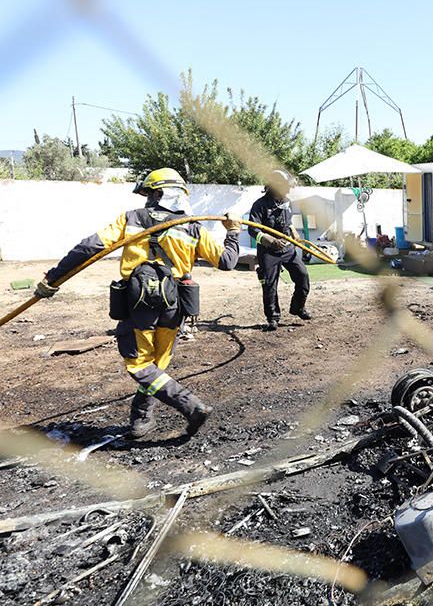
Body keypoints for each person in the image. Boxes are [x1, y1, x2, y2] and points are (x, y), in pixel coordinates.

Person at [35, 168, 241, 439]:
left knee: (139, 365)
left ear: (158, 193)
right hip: (173, 307)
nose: (146, 200)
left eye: (148, 194)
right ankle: (141, 418)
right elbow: (227, 262)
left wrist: (53, 278)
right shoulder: (193, 227)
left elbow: (89, 248)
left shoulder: (130, 219)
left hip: (139, 307)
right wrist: (233, 231)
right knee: (158, 363)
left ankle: (190, 406)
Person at [248, 170, 311, 331]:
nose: (289, 190)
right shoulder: (259, 205)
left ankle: (298, 307)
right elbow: (253, 230)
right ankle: (273, 317)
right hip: (268, 252)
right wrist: (270, 241)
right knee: (270, 284)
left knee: (302, 275)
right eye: (286, 187)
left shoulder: (287, 202)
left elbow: (287, 222)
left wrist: (294, 232)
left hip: (287, 248)